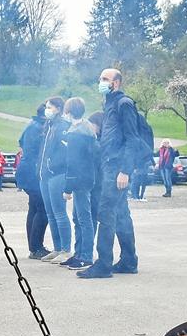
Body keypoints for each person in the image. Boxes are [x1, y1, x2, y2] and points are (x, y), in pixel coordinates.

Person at [78, 68, 141, 279]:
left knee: (105, 213)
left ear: (116, 83)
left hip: (117, 168)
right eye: (100, 78)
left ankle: (103, 264)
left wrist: (125, 170)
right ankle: (129, 261)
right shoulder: (110, 104)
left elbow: (133, 139)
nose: (101, 82)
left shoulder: (124, 104)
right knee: (121, 214)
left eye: (105, 79)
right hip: (110, 165)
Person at [61, 97, 98, 270]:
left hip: (80, 180)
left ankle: (86, 256)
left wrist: (67, 188)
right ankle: (79, 253)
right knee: (79, 218)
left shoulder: (75, 134)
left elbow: (72, 162)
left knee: (83, 219)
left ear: (68, 112)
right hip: (88, 177)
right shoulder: (86, 129)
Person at [38, 96, 72, 263]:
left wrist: (53, 165)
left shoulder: (63, 126)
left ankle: (66, 249)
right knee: (50, 213)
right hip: (45, 174)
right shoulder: (49, 125)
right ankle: (57, 248)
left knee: (59, 213)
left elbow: (66, 152)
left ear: (58, 108)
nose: (47, 109)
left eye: (49, 106)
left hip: (57, 174)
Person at [17, 104, 51, 260]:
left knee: (34, 208)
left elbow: (21, 142)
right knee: (42, 209)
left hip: (26, 170)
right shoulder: (39, 128)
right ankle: (36, 247)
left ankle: (34, 246)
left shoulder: (31, 125)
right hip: (33, 171)